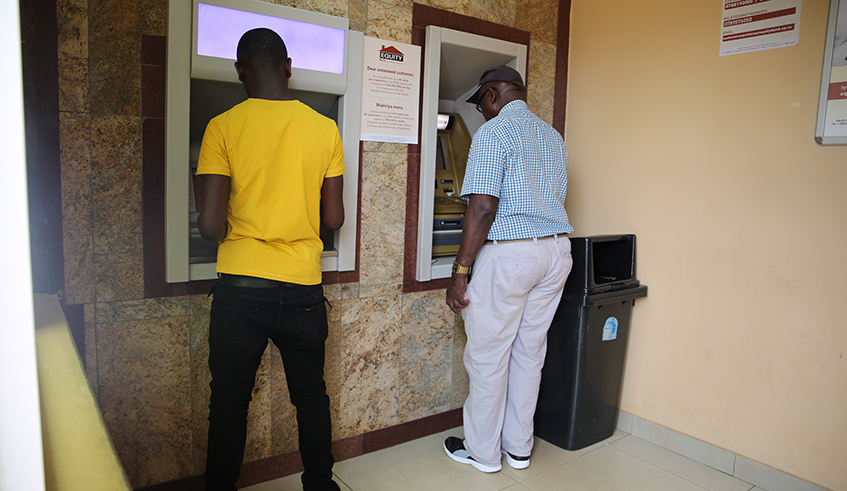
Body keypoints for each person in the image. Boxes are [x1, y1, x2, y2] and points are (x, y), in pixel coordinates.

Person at [196, 28, 344, 491]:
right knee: (311, 397)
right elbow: (334, 218)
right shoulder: (325, 128)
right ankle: (320, 485)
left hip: (241, 290)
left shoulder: (222, 126)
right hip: (302, 288)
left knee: (228, 404)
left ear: (240, 72)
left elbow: (209, 227)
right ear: (288, 67)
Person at [443, 65, 574, 473]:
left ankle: (483, 453)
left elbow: (483, 207)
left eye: (480, 103)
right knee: (529, 353)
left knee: (488, 356)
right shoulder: (552, 136)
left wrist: (461, 270)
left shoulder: (494, 132)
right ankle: (518, 448)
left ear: (493, 95)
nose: (481, 111)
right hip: (555, 252)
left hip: (511, 256)